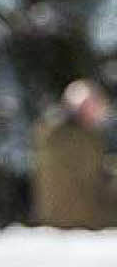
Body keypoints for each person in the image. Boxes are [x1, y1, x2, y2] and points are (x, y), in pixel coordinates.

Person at [32, 79, 117, 229]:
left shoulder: (55, 133)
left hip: (71, 217)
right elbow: (92, 179)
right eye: (96, 106)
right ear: (84, 107)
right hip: (78, 219)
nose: (100, 113)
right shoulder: (71, 138)